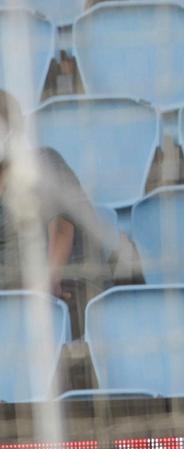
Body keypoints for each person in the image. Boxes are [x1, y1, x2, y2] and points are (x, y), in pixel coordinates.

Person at [0, 90, 118, 330]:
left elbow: (63, 227)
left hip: (69, 292)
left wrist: (50, 278)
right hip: (14, 297)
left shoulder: (43, 161)